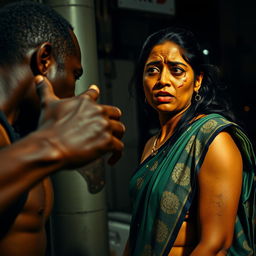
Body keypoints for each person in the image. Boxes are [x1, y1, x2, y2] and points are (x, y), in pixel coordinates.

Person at [0, 1, 125, 256]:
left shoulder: (19, 136)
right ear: (44, 60)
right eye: (74, 75)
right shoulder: (38, 143)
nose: (74, 92)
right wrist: (54, 143)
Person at [124, 27, 255, 256]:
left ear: (197, 81)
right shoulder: (151, 145)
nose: (162, 80)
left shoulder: (213, 140)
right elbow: (137, 231)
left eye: (176, 70)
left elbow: (215, 245)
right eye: (152, 70)